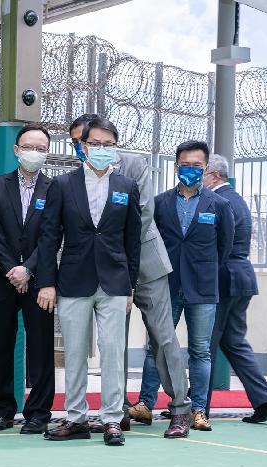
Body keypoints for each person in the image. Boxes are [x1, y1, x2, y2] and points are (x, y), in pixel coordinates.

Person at [70, 114, 192, 438]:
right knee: (114, 343)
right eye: (83, 143)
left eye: (101, 142)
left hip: (146, 264)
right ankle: (117, 412)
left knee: (163, 336)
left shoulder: (134, 165)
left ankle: (181, 409)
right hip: (109, 270)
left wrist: (127, 266)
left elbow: (143, 216)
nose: (91, 148)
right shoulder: (78, 177)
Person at [36, 117, 141, 446]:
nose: (102, 150)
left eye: (109, 145)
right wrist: (47, 282)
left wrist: (130, 286)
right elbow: (49, 236)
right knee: (75, 352)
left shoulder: (126, 187)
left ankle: (112, 419)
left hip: (114, 282)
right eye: (95, 144)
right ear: (82, 146)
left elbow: (132, 240)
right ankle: (76, 417)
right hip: (73, 280)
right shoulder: (63, 185)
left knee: (112, 352)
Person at [135, 141, 234, 431]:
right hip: (166, 285)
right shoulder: (161, 203)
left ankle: (199, 410)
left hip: (203, 288)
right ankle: (145, 404)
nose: (190, 170)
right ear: (176, 166)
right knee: (156, 347)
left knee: (201, 350)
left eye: (197, 166)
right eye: (185, 165)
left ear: (206, 170)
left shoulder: (219, 205)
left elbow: (224, 248)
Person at [0, 123, 55, 434]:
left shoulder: (54, 189)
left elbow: (52, 236)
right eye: (29, 147)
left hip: (39, 282)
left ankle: (38, 412)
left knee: (40, 348)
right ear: (16, 149)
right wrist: (13, 269)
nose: (33, 153)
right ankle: (1, 411)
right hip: (0, 278)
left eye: (40, 148)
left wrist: (30, 269)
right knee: (1, 346)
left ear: (47, 153)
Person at [204, 154, 267, 423]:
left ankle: (199, 407)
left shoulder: (217, 200)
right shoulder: (237, 200)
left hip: (223, 279)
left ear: (214, 175)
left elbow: (215, 244)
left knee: (206, 344)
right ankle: (265, 400)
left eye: (201, 172)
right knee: (234, 341)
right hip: (242, 278)